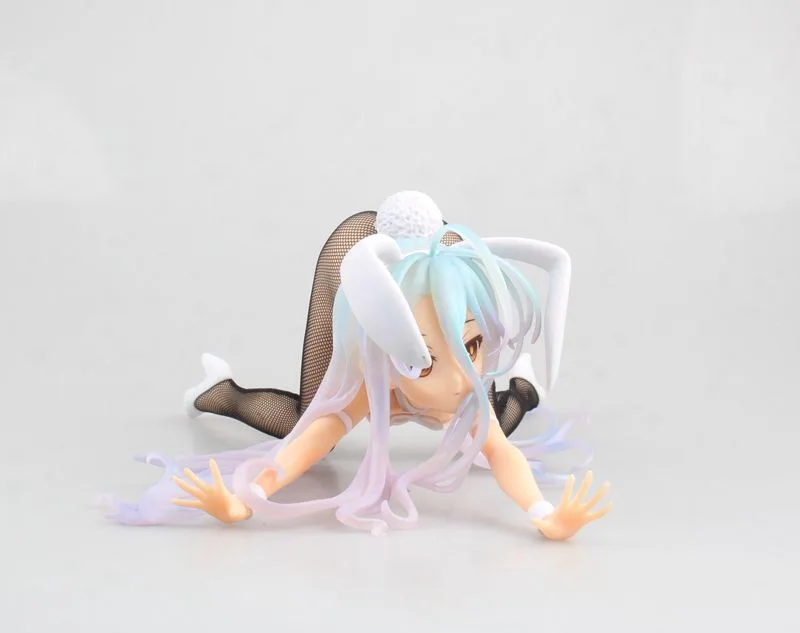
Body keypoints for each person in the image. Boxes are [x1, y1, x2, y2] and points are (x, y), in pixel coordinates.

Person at [101, 191, 610, 538]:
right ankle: (217, 390)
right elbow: (302, 449)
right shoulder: (372, 378)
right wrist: (244, 500)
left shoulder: (463, 375)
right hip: (369, 291)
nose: (460, 379)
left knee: (489, 422)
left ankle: (521, 384)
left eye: (473, 346)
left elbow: (501, 454)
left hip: (421, 277)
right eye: (427, 360)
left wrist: (545, 515)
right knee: (302, 420)